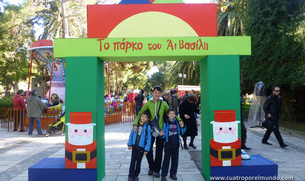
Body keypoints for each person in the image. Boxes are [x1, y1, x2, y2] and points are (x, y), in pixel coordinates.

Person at [133, 85, 183, 178]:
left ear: (161, 94)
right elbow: (140, 113)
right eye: (155, 92)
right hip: (150, 130)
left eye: (159, 92)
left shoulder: (163, 103)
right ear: (153, 92)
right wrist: (135, 123)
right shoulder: (148, 103)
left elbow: (170, 113)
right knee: (148, 149)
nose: (157, 94)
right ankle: (152, 166)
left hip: (161, 131)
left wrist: (179, 119)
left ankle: (157, 169)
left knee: (159, 151)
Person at [160, 108, 186, 181]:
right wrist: (161, 135)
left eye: (173, 113)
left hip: (176, 144)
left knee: (175, 160)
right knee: (166, 160)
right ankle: (164, 174)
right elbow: (163, 134)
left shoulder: (177, 123)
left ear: (175, 115)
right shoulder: (165, 123)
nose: (171, 115)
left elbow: (182, 132)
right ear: (168, 114)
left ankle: (173, 173)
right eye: (170, 113)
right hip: (168, 144)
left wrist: (183, 127)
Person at [127, 111, 152, 181]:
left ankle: (136, 175)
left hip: (141, 148)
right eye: (142, 116)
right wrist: (129, 144)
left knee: (138, 162)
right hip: (134, 147)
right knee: (132, 161)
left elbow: (148, 139)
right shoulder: (136, 124)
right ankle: (130, 175)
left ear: (148, 119)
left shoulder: (148, 127)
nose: (143, 118)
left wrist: (147, 149)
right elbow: (131, 134)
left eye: (145, 117)